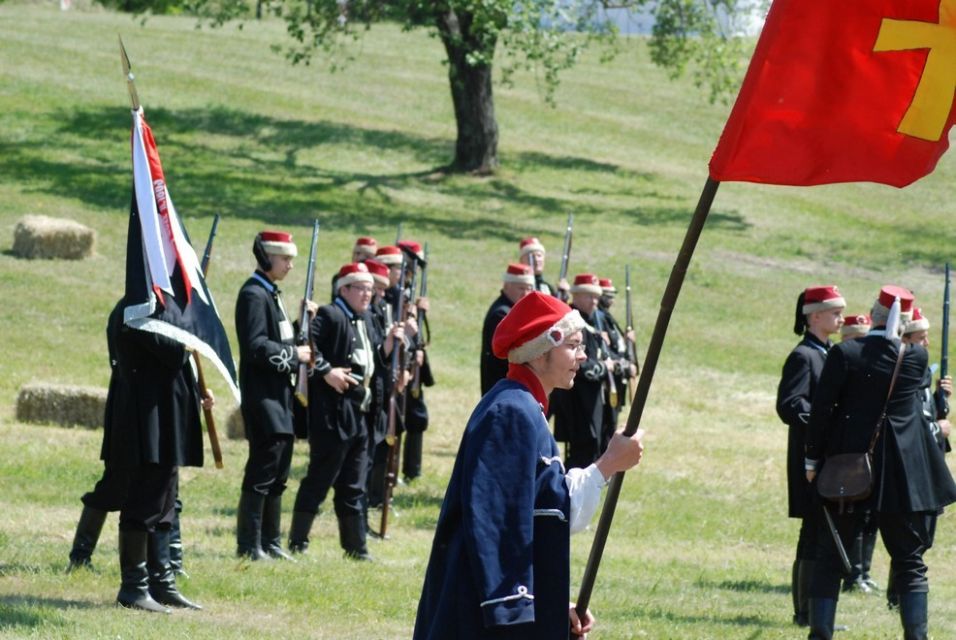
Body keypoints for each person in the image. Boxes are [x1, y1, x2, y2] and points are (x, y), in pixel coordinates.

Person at [413, 291, 645, 639]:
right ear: (540, 353)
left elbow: (544, 510)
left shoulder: (523, 409)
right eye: (573, 345)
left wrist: (550, 605)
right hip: (480, 621)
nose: (582, 356)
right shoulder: (511, 413)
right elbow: (496, 522)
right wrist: (608, 463)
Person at [805, 286, 956, 640]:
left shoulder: (845, 353)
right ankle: (916, 636)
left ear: (871, 315)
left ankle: (820, 634)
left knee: (829, 556)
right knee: (909, 560)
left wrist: (812, 458)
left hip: (849, 466)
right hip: (902, 472)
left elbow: (822, 413)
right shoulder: (916, 359)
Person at [108, 274, 211, 613]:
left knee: (164, 502)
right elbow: (171, 352)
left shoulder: (160, 310)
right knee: (145, 499)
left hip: (166, 418)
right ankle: (134, 587)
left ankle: (161, 582)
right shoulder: (138, 310)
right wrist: (190, 324)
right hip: (147, 420)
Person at [289, 263, 398, 560]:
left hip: (361, 414)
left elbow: (374, 359)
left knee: (354, 483)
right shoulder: (329, 314)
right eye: (361, 288)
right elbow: (306, 346)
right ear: (344, 289)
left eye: (370, 289)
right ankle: (298, 541)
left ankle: (355, 547)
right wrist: (327, 372)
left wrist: (389, 347)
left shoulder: (368, 319)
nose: (368, 294)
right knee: (320, 478)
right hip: (333, 415)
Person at [234, 230, 312, 561]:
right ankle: (249, 544)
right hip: (263, 395)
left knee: (279, 471)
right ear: (267, 257)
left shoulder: (271, 294)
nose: (290, 266)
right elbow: (255, 346)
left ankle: (271, 541)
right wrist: (296, 356)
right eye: (285, 259)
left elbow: (281, 337)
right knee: (263, 470)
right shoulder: (253, 294)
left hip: (281, 396)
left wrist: (303, 321)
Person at [776, 285, 845, 626]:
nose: (841, 318)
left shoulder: (828, 352)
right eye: (834, 312)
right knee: (812, 532)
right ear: (815, 316)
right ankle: (804, 613)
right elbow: (790, 405)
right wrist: (823, 422)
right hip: (808, 458)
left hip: (823, 457)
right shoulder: (804, 355)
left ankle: (807, 612)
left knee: (816, 531)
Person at [551, 274, 613, 469]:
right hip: (576, 398)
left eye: (596, 296)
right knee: (581, 451)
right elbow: (581, 365)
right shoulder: (572, 323)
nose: (594, 301)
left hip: (592, 399)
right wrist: (604, 368)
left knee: (593, 447)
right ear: (575, 296)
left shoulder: (592, 323)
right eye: (588, 296)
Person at [479, 263, 535, 395]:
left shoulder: (514, 311)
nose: (526, 293)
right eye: (521, 288)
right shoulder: (501, 314)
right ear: (506, 286)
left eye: (529, 288)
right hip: (501, 387)